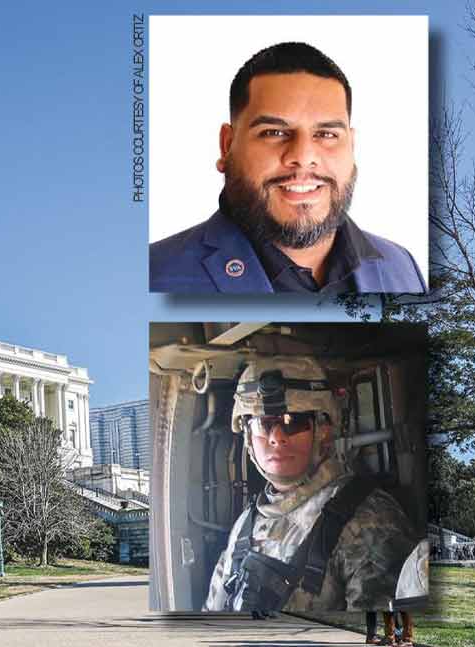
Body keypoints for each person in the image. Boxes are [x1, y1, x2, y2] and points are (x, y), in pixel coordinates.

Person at [150, 42, 426, 294]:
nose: (303, 157)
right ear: (227, 145)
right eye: (274, 133)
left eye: (327, 134)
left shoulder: (403, 269)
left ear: (351, 147)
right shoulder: (152, 276)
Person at [203, 356, 420, 612]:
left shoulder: (368, 519)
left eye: (293, 422)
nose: (277, 438)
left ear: (323, 431)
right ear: (248, 435)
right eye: (264, 424)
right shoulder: (245, 524)